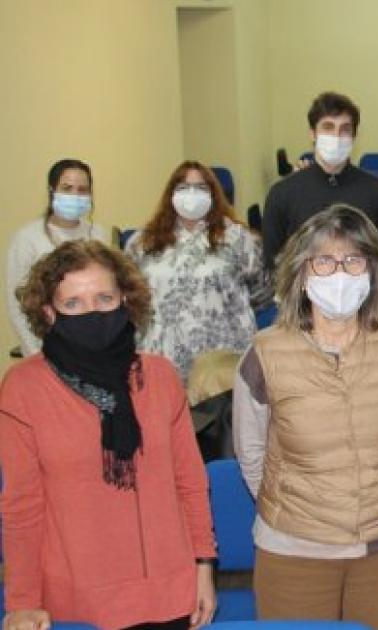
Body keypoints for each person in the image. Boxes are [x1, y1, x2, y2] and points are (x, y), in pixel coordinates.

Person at [0, 240, 216, 630]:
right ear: (49, 313)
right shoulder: (23, 388)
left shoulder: (161, 377)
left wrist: (203, 564)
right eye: (73, 304)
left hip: (169, 593)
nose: (93, 312)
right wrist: (21, 602)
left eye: (104, 299)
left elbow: (190, 480)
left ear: (125, 301)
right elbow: (22, 507)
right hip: (79, 603)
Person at [233, 205, 378, 630]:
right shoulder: (265, 351)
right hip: (294, 548)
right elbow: (250, 452)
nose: (340, 273)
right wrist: (299, 510)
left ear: (373, 271)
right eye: (324, 261)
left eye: (354, 260)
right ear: (301, 274)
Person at [125, 161, 271, 381]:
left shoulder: (241, 239)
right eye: (183, 187)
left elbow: (262, 293)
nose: (192, 194)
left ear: (214, 194)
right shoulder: (142, 243)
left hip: (221, 361)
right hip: (161, 357)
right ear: (170, 194)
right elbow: (131, 297)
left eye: (201, 188)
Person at [262, 92, 378, 272]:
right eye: (328, 127)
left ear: (354, 136)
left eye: (345, 129)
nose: (336, 136)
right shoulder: (282, 194)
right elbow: (273, 264)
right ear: (313, 134)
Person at [7, 159, 110, 357]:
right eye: (67, 188)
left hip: (93, 345)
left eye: (82, 190)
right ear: (52, 190)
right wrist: (35, 352)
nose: (75, 195)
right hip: (46, 345)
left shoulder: (98, 235)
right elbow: (17, 304)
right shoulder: (28, 239)